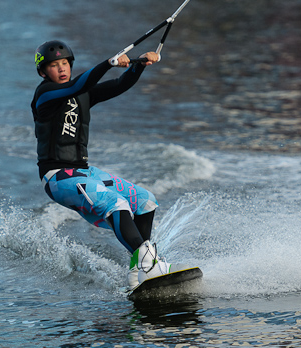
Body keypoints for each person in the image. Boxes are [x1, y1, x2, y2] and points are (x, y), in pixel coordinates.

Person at [31, 40, 187, 290]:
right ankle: (148, 262)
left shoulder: (82, 93)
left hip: (83, 171)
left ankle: (138, 269)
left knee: (146, 201)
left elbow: (118, 85)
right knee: (116, 203)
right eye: (54, 66)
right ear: (43, 72)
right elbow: (78, 84)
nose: (61, 69)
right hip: (57, 177)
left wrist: (139, 65)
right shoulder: (45, 95)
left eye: (64, 63)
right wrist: (109, 63)